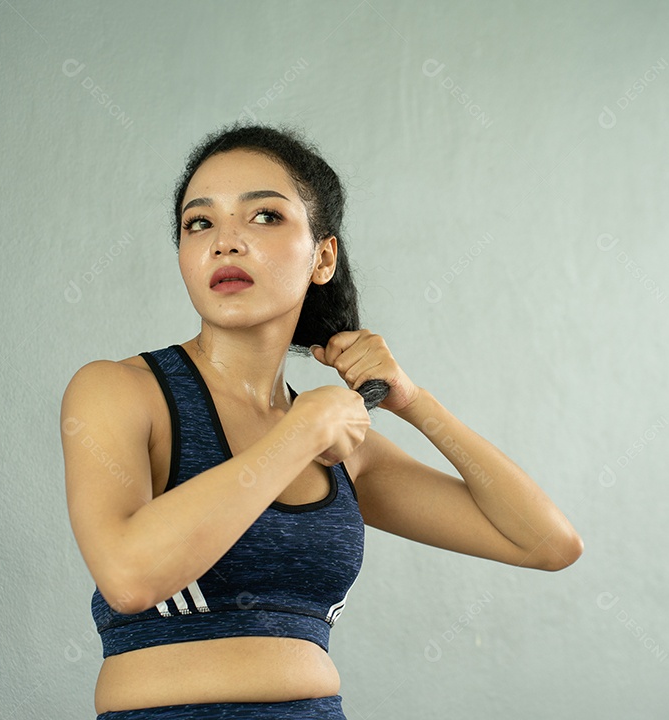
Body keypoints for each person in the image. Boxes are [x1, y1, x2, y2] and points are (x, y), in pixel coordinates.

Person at [60, 123, 584, 719]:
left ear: (322, 257)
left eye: (264, 217)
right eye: (199, 223)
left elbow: (547, 543)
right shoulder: (120, 391)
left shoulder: (342, 443)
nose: (225, 242)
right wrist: (298, 433)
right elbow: (128, 577)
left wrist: (412, 402)